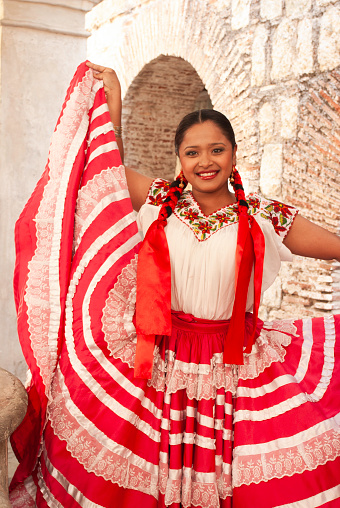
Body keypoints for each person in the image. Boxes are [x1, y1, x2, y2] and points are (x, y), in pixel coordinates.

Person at [9, 61, 340, 507]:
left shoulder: (266, 214)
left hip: (236, 362)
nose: (206, 162)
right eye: (193, 152)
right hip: (160, 360)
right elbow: (103, 172)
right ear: (179, 159)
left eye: (217, 150)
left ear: (235, 154)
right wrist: (114, 103)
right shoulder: (161, 198)